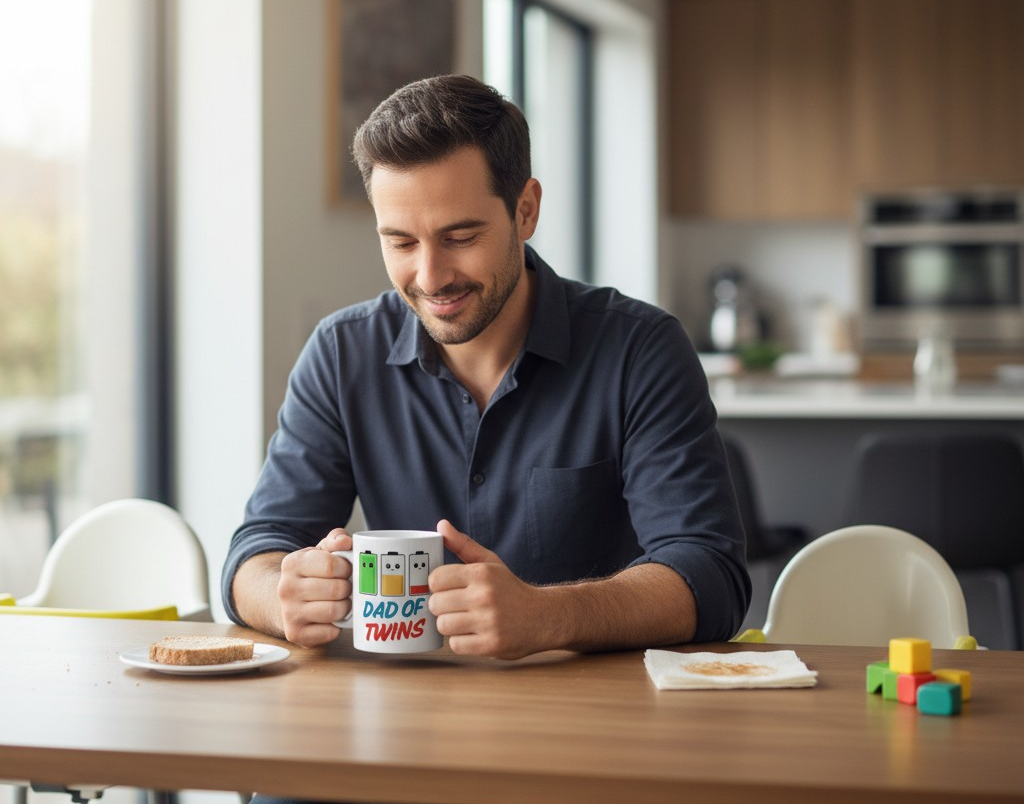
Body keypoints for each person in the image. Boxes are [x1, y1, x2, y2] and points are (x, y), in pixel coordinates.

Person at [222, 74, 750, 661]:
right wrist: (283, 595)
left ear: (525, 211)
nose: (430, 276)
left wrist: (548, 615)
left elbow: (711, 577)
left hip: (600, 725)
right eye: (400, 243)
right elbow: (256, 553)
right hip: (406, 719)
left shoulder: (640, 350)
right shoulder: (342, 353)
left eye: (460, 236)